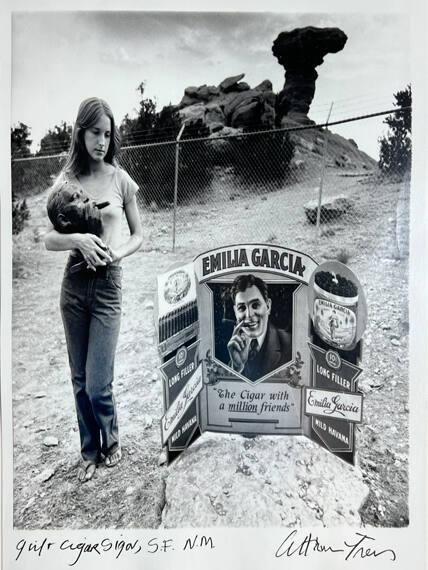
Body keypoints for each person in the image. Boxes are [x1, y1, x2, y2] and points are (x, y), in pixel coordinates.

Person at [44, 97, 143, 482]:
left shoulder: (120, 179)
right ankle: (90, 452)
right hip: (74, 284)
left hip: (107, 286)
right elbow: (50, 239)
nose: (102, 141)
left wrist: (115, 253)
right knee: (80, 380)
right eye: (95, 133)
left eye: (108, 134)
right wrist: (79, 242)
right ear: (80, 132)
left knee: (99, 381)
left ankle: (112, 440)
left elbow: (139, 236)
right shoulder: (66, 181)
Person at [227, 274, 292, 382]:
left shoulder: (290, 344)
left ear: (268, 306)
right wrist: (237, 368)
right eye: (242, 308)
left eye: (255, 305)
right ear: (235, 312)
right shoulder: (233, 347)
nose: (249, 315)